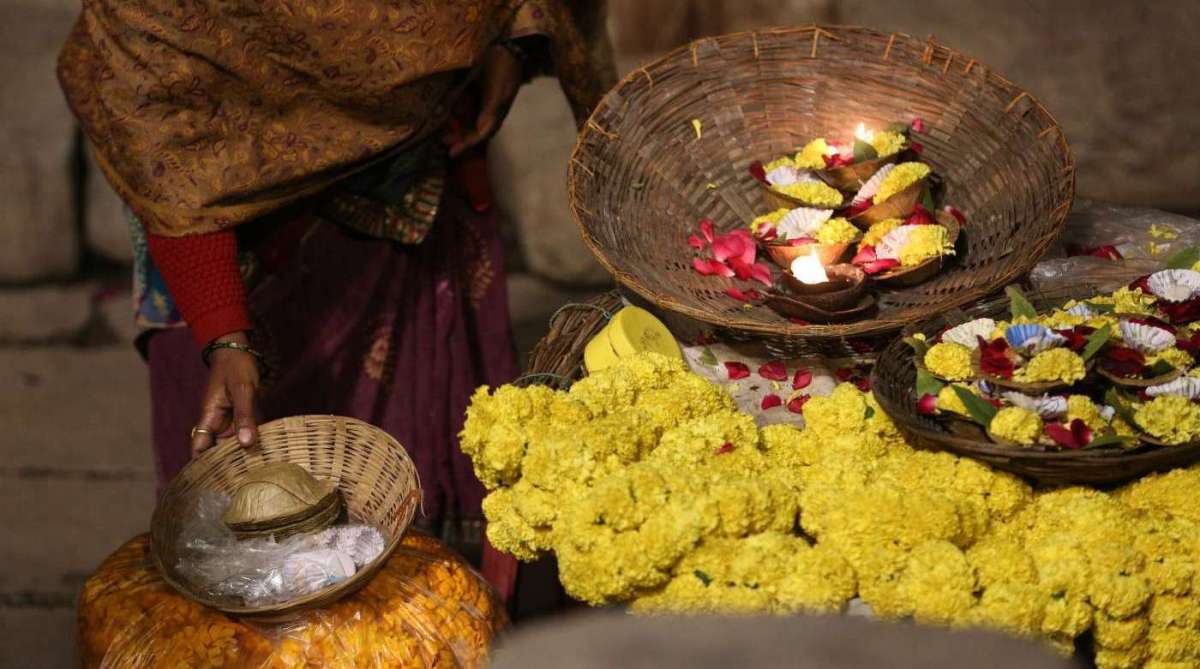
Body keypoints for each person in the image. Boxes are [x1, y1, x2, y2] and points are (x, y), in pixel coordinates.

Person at [58, 1, 613, 577]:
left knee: (394, 526)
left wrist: (509, 43)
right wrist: (221, 327)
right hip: (207, 212)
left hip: (402, 169)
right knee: (236, 510)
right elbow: (159, 138)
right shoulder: (157, 24)